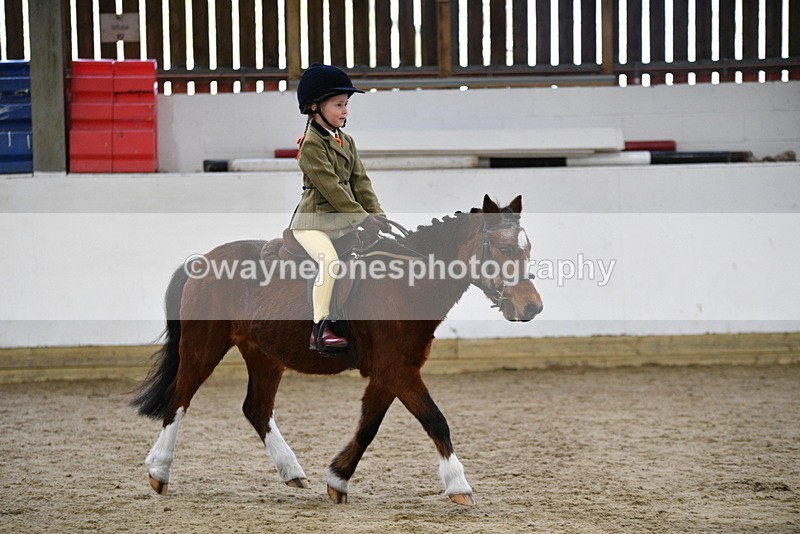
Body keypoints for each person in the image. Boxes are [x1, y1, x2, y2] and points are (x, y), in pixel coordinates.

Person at [289, 63, 390, 352]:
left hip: (345, 222)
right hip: (313, 224)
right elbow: (332, 189)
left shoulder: (346, 141)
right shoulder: (310, 145)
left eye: (346, 105)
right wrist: (361, 218)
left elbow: (361, 183)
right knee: (329, 262)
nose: (345, 111)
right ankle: (320, 328)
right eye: (338, 105)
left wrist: (377, 217)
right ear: (314, 107)